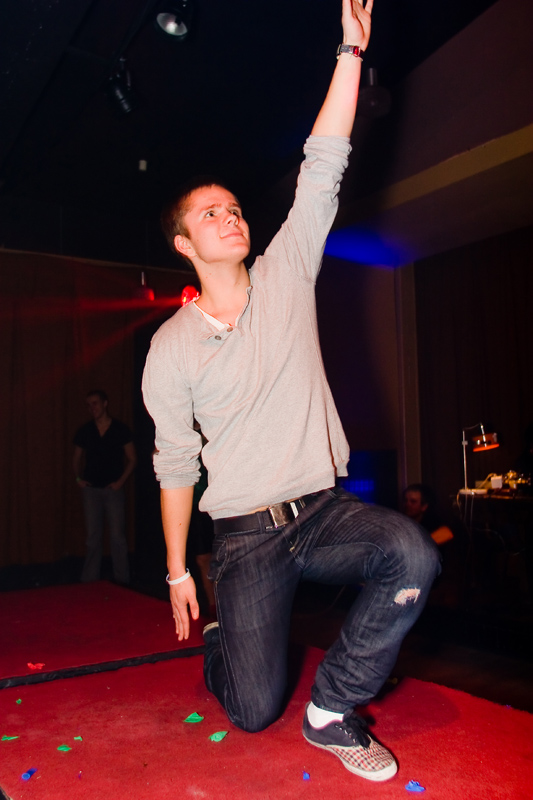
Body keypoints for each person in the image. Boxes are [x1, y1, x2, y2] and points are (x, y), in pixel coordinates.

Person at [142, 0, 440, 783]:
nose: (230, 217)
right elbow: (174, 465)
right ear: (184, 244)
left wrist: (349, 53)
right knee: (250, 709)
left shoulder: (285, 271)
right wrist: (177, 570)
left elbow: (323, 163)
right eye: (210, 214)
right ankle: (224, 646)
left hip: (322, 512)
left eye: (234, 208)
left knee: (411, 553)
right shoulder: (169, 348)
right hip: (244, 537)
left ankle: (332, 708)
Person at [73, 390, 136, 584]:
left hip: (112, 490)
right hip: (91, 490)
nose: (92, 408)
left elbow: (133, 459)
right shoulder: (85, 430)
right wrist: (78, 479)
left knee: (117, 537)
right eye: (89, 405)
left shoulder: (120, 429)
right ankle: (90, 581)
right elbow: (76, 458)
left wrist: (121, 481)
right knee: (93, 537)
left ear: (105, 403)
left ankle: (122, 580)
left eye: (95, 403)